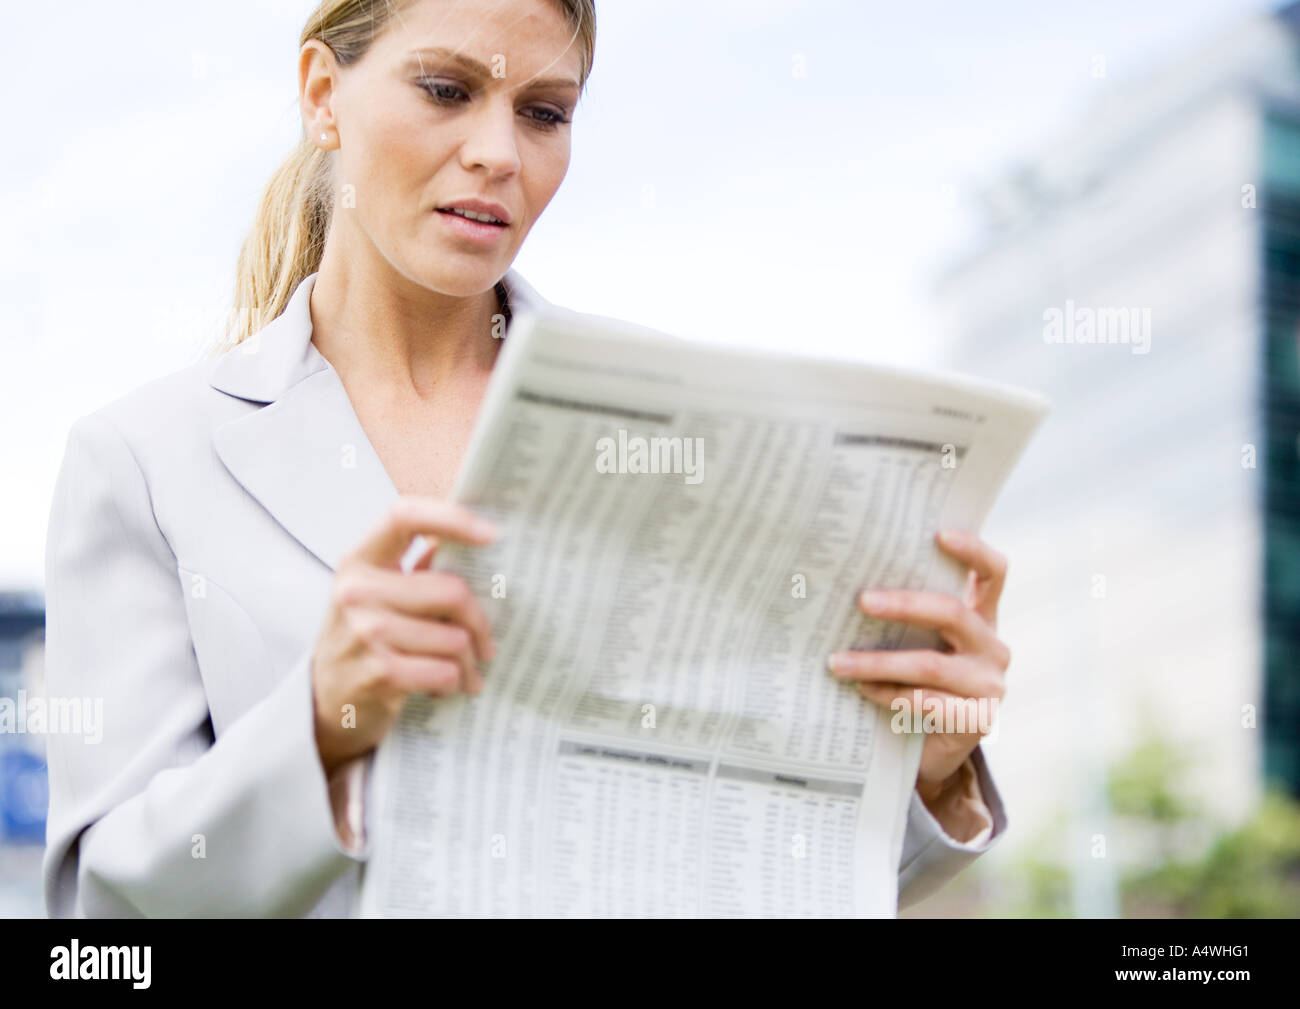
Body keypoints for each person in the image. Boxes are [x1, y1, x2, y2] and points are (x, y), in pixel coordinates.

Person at [42, 0, 1010, 918]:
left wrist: (919, 765)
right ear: (322, 94)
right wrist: (323, 720)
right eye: (446, 90)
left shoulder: (684, 424)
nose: (497, 154)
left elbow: (757, 857)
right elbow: (103, 910)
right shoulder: (146, 458)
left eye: (543, 113)